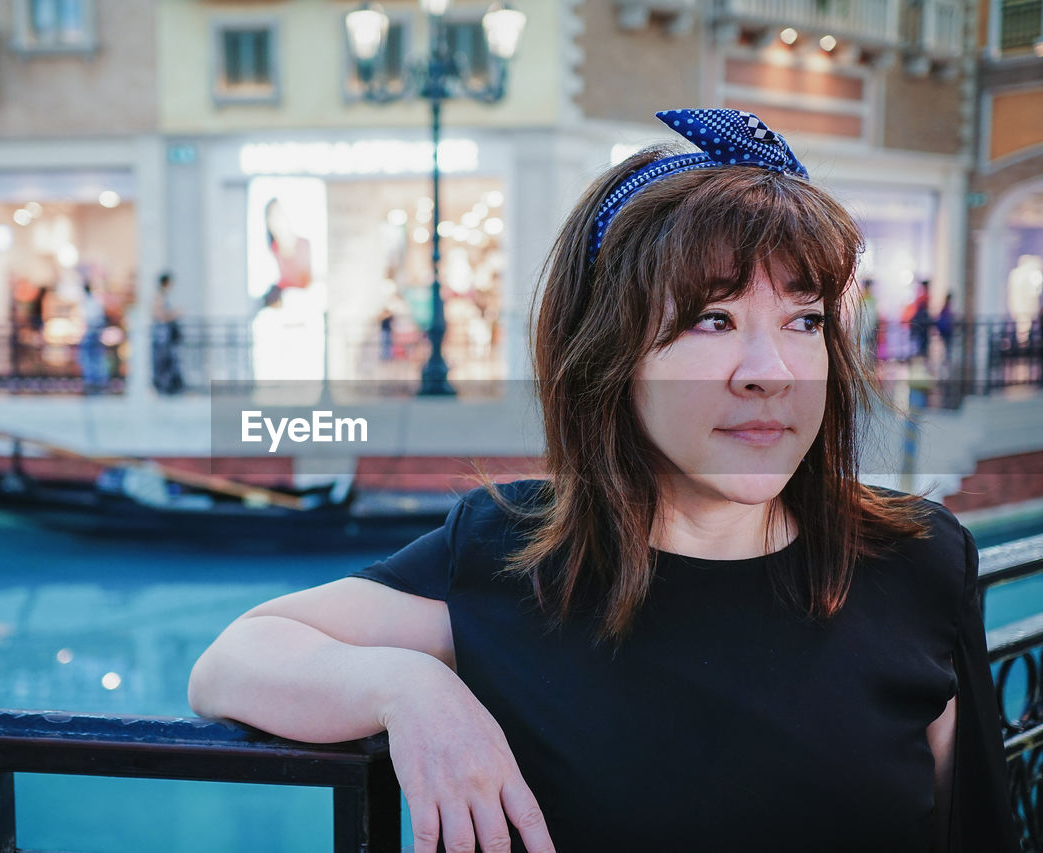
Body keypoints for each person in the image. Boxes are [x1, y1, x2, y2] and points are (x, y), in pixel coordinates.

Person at [189, 109, 1016, 852]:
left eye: (804, 322)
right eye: (713, 319)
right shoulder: (512, 556)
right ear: (610, 355)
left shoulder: (916, 561)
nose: (772, 371)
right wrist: (407, 688)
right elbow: (233, 661)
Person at [152, 272, 185, 395]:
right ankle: (164, 388)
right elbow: (159, 316)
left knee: (169, 363)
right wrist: (175, 314)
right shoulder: (159, 297)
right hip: (162, 337)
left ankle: (170, 387)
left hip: (166, 337)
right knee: (163, 364)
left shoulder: (163, 297)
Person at [77, 281, 108, 394]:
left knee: (90, 357)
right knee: (93, 357)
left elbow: (92, 319)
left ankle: (94, 380)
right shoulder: (93, 301)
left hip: (92, 332)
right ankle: (95, 380)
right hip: (94, 332)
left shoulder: (89, 302)